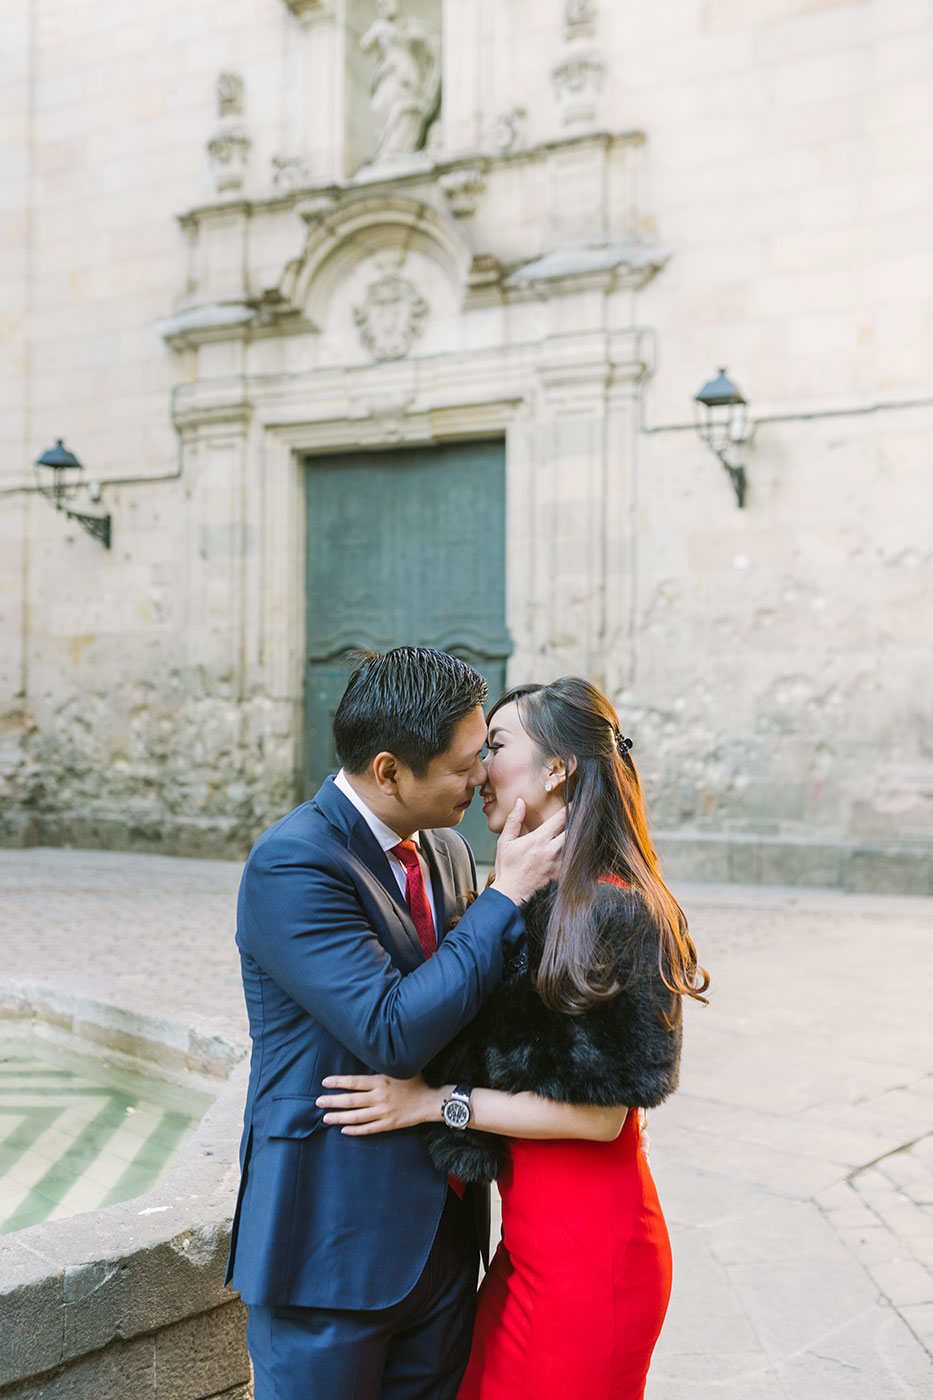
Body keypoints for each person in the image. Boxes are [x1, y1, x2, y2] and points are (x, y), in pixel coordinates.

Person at [318, 677, 710, 1400]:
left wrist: (434, 1104)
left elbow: (604, 1117)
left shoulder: (614, 909)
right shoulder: (526, 897)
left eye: (494, 746)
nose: (475, 766)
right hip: (527, 1250)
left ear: (556, 768)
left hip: (593, 1257)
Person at [226, 647, 565, 1400]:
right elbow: (391, 1031)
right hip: (328, 1245)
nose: (480, 778)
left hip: (442, 1239)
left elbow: (470, 993)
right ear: (387, 771)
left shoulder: (443, 847)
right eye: (461, 765)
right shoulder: (293, 864)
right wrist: (502, 898)